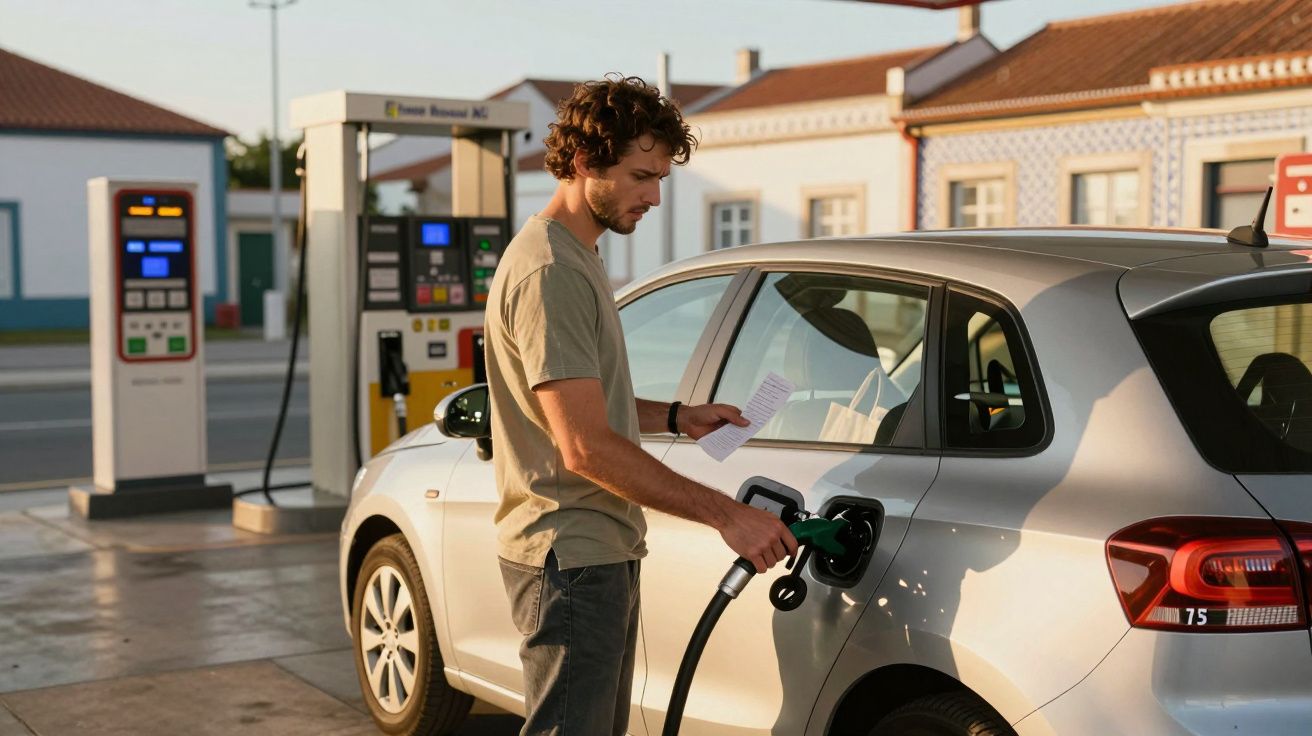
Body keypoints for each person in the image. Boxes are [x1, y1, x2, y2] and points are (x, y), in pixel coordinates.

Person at [483, 74, 798, 736]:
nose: (654, 196)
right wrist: (728, 517)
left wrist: (679, 417)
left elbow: (584, 405)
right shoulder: (552, 272)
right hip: (570, 558)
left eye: (659, 178)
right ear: (580, 162)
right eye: (638, 176)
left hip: (593, 552)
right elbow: (584, 446)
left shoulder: (577, 255)